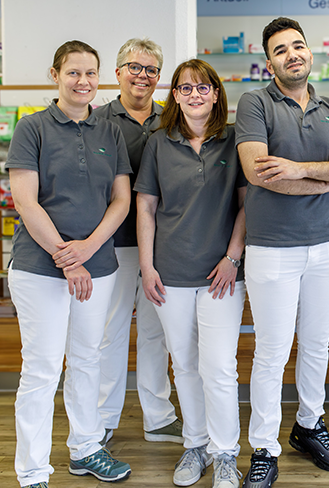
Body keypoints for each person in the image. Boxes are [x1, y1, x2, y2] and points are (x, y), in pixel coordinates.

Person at [235, 17, 329, 488]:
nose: (292, 54)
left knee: (317, 343)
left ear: (310, 54)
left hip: (325, 245)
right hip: (273, 249)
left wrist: (297, 168)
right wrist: (328, 173)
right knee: (272, 351)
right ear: (269, 61)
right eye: (280, 50)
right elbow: (259, 174)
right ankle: (264, 447)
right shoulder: (254, 102)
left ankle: (309, 425)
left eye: (298, 46)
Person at [7, 40, 132, 487]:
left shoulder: (109, 131)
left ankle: (85, 448)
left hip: (97, 268)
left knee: (86, 360)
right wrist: (67, 258)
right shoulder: (32, 127)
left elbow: (120, 200)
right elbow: (25, 199)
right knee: (42, 368)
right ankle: (33, 472)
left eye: (91, 73)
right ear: (55, 74)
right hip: (39, 269)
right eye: (74, 73)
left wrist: (88, 249)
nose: (83, 82)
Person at [135, 59, 246, 488]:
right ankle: (195, 445)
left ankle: (224, 454)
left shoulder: (235, 141)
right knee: (183, 363)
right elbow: (146, 206)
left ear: (216, 94)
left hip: (221, 275)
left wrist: (233, 258)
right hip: (170, 273)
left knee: (218, 366)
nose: (195, 95)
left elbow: (246, 205)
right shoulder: (160, 143)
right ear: (175, 96)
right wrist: (147, 266)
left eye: (203, 88)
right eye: (186, 89)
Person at [93, 37, 182, 446]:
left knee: (154, 332)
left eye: (150, 70)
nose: (142, 76)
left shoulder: (172, 119)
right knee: (110, 332)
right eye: (134, 67)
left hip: (160, 246)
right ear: (118, 73)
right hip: (111, 245)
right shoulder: (98, 119)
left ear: (159, 78)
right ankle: (103, 419)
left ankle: (158, 417)